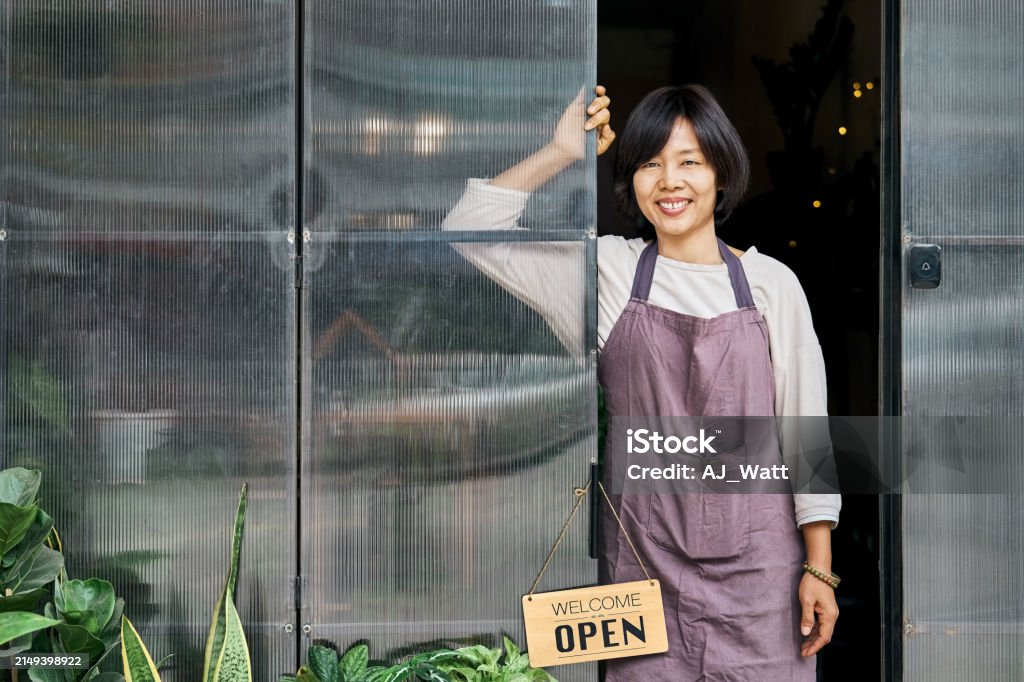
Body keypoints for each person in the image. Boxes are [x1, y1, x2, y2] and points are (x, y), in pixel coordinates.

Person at [443, 85, 840, 680]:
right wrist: (561, 152)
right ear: (631, 180)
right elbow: (469, 228)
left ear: (721, 173)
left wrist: (819, 568)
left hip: (761, 574)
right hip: (642, 571)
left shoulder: (770, 284)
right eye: (650, 164)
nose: (670, 181)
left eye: (690, 161)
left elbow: (806, 434)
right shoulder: (608, 271)